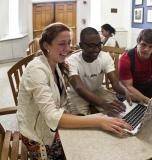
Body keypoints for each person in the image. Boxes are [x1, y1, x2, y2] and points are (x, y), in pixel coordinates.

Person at [17, 23, 132, 160]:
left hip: (52, 126)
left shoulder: (56, 64)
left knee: (96, 136)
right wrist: (98, 120)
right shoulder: (37, 70)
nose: (68, 48)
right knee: (88, 147)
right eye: (61, 44)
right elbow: (53, 116)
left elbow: (60, 105)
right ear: (47, 45)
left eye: (69, 43)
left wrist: (96, 119)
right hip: (39, 137)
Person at [67, 27, 132, 116]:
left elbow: (115, 83)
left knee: (118, 111)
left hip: (97, 90)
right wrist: (103, 103)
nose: (97, 49)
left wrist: (125, 91)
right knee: (81, 120)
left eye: (99, 45)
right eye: (91, 46)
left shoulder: (105, 57)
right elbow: (79, 88)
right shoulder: (71, 61)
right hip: (76, 94)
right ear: (81, 45)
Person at [118, 29, 152, 105]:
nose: (146, 49)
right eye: (143, 45)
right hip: (130, 89)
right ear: (137, 43)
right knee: (129, 108)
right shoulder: (126, 59)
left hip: (147, 86)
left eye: (151, 47)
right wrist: (147, 101)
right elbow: (127, 86)